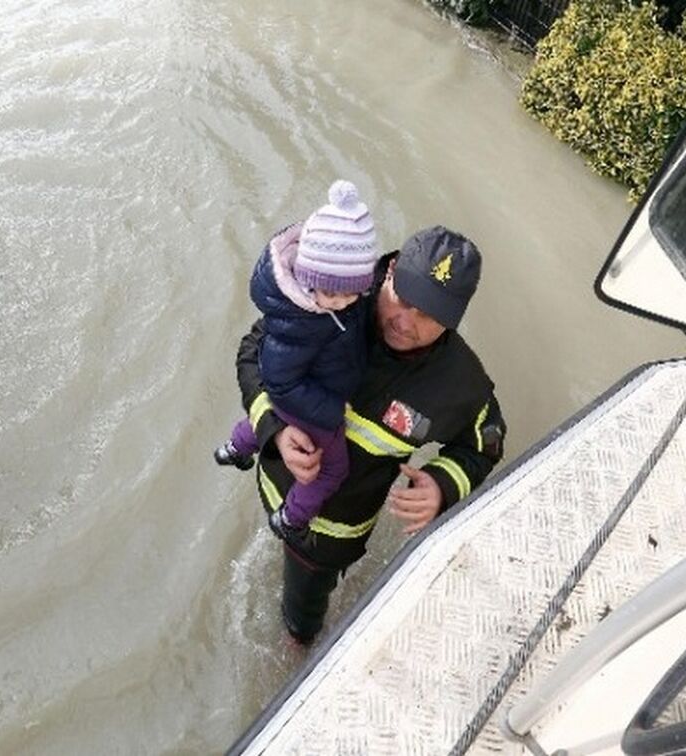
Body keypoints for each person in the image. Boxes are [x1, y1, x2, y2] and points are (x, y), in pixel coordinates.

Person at [234, 225, 506, 645]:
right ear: (390, 270)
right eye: (404, 299)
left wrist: (442, 485)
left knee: (301, 619)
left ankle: (300, 641)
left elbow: (485, 443)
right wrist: (274, 427)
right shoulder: (329, 303)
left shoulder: (460, 384)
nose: (406, 322)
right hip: (272, 478)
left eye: (429, 316)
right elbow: (254, 349)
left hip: (329, 538)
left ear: (454, 320)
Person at [215, 180, 381, 544]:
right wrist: (330, 413)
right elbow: (279, 382)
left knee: (259, 419)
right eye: (332, 294)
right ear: (307, 281)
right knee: (331, 470)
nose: (343, 303)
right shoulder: (298, 324)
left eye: (354, 293)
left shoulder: (327, 306)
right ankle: (291, 518)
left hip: (301, 393)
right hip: (311, 401)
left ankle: (236, 447)